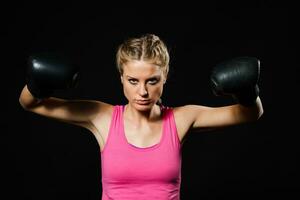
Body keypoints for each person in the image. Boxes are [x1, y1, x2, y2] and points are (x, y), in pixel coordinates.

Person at [19, 33, 264, 200]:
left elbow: (250, 114)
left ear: (165, 76)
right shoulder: (101, 117)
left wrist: (247, 91)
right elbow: (30, 104)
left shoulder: (181, 119)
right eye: (133, 81)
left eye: (152, 81)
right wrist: (36, 85)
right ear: (122, 78)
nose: (143, 92)